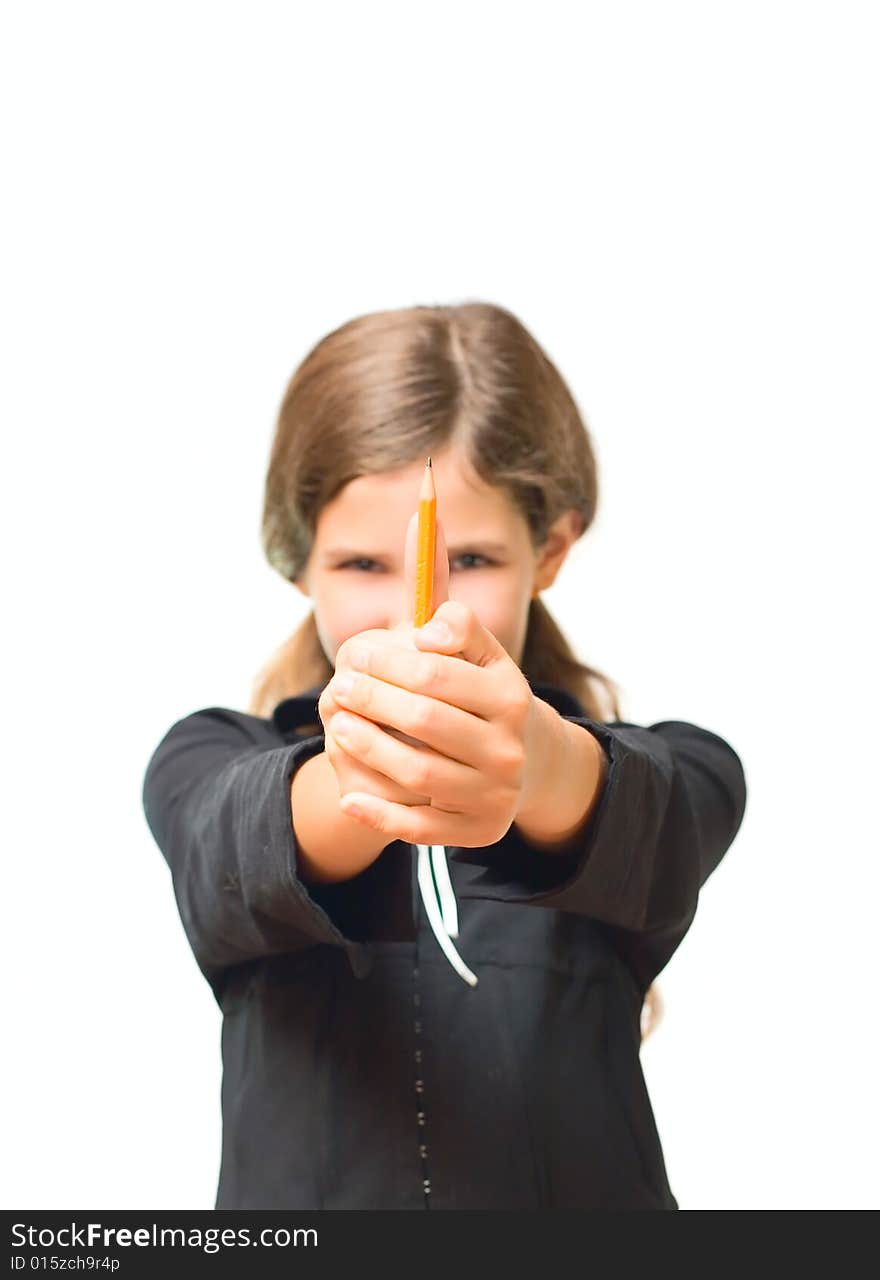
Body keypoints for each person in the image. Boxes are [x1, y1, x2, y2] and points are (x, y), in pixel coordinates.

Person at [142, 301, 747, 1210]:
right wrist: (358, 770)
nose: (415, 614)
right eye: (359, 566)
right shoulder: (206, 760)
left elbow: (664, 818)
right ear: (295, 560)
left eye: (468, 559)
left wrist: (538, 768)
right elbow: (227, 847)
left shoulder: (667, 776)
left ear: (550, 550)